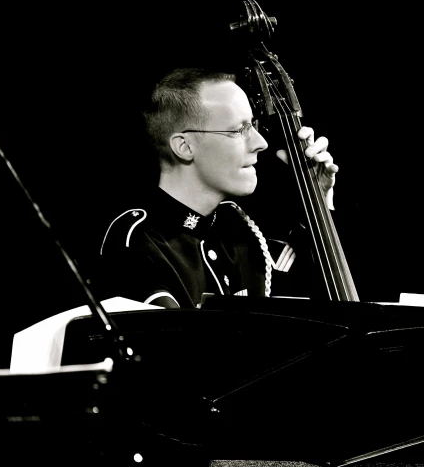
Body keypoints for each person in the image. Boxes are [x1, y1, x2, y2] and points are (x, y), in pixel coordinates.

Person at [93, 67, 339, 309]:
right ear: (185, 147)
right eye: (239, 130)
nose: (261, 143)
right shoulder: (138, 242)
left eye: (253, 125)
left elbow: (319, 307)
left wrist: (319, 200)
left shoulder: (242, 229)